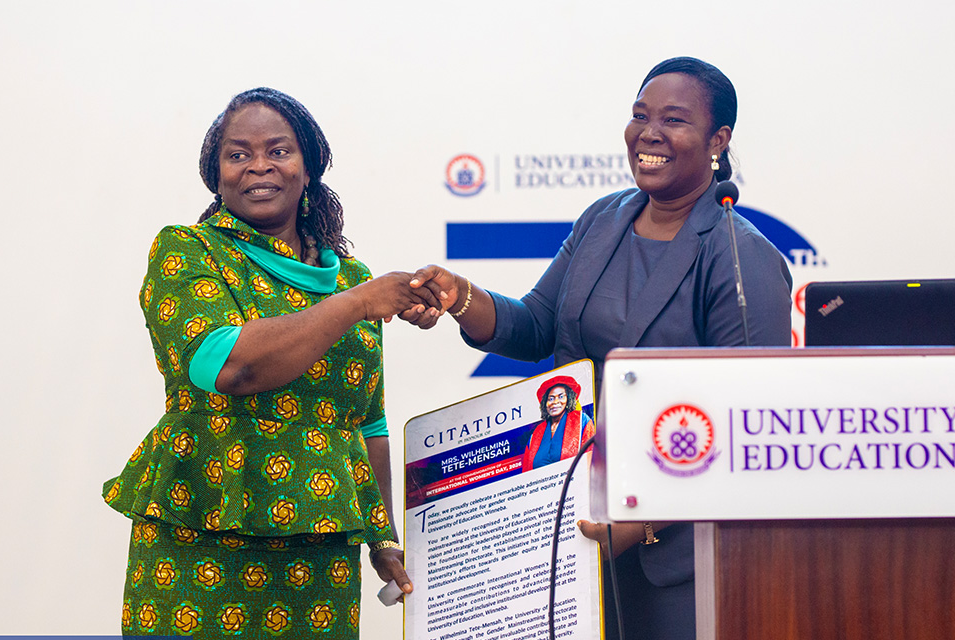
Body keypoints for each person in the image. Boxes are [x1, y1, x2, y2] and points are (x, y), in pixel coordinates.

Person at [402, 57, 793, 639]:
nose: (649, 133)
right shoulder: (603, 221)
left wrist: (644, 521)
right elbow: (536, 325)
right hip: (574, 528)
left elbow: (747, 423)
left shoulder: (742, 256)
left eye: (674, 120)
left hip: (679, 555)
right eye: (639, 116)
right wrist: (463, 298)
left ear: (719, 140)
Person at [102, 87, 429, 638]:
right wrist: (355, 305)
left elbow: (366, 419)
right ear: (217, 173)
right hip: (200, 534)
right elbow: (229, 368)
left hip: (319, 546)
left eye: (278, 151)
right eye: (237, 154)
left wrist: (384, 536)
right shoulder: (187, 250)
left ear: (308, 168)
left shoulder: (351, 278)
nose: (258, 166)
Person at [522, 376, 595, 472]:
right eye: (550, 399)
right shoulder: (536, 433)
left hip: (573, 483)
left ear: (569, 399)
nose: (555, 402)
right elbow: (526, 472)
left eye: (561, 397)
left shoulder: (582, 421)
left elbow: (591, 458)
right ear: (545, 403)